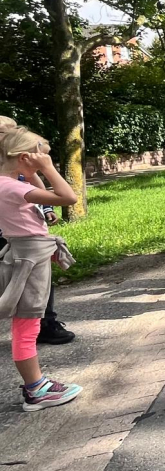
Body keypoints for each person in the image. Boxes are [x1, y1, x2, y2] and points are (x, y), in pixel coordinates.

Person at [0, 126, 83, 411]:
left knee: (29, 322)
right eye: (40, 158)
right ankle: (36, 390)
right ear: (24, 158)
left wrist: (34, 168)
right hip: (29, 259)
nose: (43, 164)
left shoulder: (8, 182)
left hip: (27, 253)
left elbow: (35, 189)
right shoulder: (13, 188)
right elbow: (68, 197)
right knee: (26, 325)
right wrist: (48, 169)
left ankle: (36, 385)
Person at [0, 117, 75, 346]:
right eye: (6, 132)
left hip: (21, 237)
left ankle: (43, 322)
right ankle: (33, 327)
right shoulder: (7, 180)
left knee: (35, 285)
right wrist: (47, 168)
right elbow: (67, 197)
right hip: (18, 240)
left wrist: (46, 207)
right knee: (22, 286)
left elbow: (38, 193)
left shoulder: (13, 173)